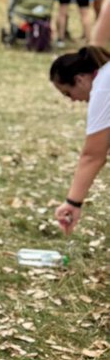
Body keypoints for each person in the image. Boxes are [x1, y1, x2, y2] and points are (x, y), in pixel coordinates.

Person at [49, 46, 110, 234]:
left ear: (80, 80)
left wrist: (72, 202)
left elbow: (92, 156)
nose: (73, 100)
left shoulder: (102, 88)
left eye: (68, 93)